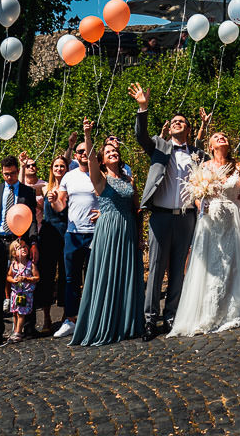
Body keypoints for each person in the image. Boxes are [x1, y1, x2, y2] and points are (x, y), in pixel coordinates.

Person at [168, 121, 240, 337]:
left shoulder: (237, 165)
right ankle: (209, 312)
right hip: (210, 220)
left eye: (224, 136)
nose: (221, 138)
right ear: (210, 146)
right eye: (216, 137)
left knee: (232, 264)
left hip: (233, 218)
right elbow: (195, 194)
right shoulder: (204, 167)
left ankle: (231, 311)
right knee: (212, 263)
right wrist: (201, 205)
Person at [132, 82, 205, 340]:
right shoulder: (158, 146)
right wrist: (143, 107)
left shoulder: (198, 154)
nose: (176, 123)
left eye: (181, 121)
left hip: (186, 218)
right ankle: (150, 320)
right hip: (161, 217)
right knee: (155, 269)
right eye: (174, 121)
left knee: (177, 271)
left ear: (188, 129)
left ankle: (172, 316)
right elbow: (141, 135)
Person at [71, 119, 146, 346]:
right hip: (109, 231)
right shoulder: (100, 179)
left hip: (128, 229)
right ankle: (105, 323)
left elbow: (137, 210)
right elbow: (90, 159)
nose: (113, 153)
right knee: (108, 274)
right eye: (108, 152)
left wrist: (140, 236)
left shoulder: (129, 179)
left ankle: (126, 323)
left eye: (115, 151)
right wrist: (87, 135)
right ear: (102, 159)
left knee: (127, 275)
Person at [0, 156, 38, 346]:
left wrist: (33, 242)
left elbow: (31, 219)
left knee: (25, 282)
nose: (10, 177)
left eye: (13, 174)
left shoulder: (27, 191)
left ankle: (28, 325)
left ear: (17, 171)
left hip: (19, 241)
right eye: (6, 174)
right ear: (2, 173)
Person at [52, 145, 99, 339]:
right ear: (76, 156)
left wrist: (103, 212)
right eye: (80, 151)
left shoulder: (99, 173)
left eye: (86, 150)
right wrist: (54, 200)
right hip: (73, 234)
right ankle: (70, 320)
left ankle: (93, 319)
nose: (83, 154)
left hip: (96, 233)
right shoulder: (69, 177)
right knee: (71, 279)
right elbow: (60, 206)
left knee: (94, 278)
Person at [38, 156, 68, 334]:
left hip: (65, 233)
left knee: (65, 274)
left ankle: (65, 315)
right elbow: (23, 185)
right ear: (51, 169)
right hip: (48, 235)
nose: (59, 168)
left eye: (62, 166)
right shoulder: (44, 187)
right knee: (46, 276)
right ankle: (47, 317)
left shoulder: (70, 187)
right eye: (56, 166)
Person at [6, 238, 39, 343]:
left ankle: (18, 333)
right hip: (15, 293)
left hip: (25, 294)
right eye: (19, 248)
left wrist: (26, 279)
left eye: (24, 247)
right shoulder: (13, 265)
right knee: (15, 313)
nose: (23, 249)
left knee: (21, 313)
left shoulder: (30, 265)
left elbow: (37, 277)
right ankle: (16, 330)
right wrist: (13, 280)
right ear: (14, 253)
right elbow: (8, 276)